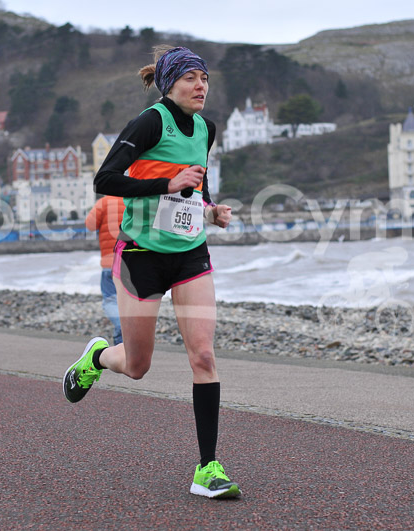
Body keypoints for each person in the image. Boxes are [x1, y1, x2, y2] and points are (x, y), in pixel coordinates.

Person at [62, 45, 239, 499]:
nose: (200, 86)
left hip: (190, 254)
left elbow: (197, 186)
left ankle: (207, 469)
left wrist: (210, 210)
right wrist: (166, 183)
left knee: (204, 356)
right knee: (137, 366)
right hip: (140, 255)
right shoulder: (150, 122)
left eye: (204, 78)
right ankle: (98, 358)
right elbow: (104, 180)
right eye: (190, 78)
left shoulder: (206, 128)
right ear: (169, 84)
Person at [85, 194, 126, 345]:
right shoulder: (132, 200)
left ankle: (121, 329)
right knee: (129, 301)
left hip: (110, 263)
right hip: (132, 263)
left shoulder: (103, 202)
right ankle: (126, 340)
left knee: (110, 300)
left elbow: (90, 225)